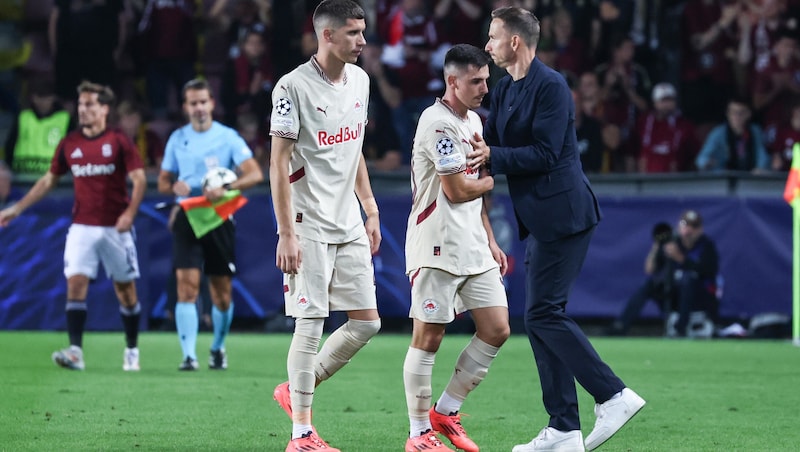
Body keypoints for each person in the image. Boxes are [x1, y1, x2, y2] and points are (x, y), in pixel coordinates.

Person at [470, 7, 645, 451]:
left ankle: (613, 395)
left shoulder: (551, 86)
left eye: (492, 38)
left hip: (565, 215)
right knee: (540, 316)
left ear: (514, 41)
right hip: (541, 219)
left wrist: (492, 156)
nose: (487, 46)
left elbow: (546, 154)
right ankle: (564, 427)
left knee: (544, 314)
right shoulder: (507, 88)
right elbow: (495, 143)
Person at [268, 1, 382, 451]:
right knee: (310, 324)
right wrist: (286, 233)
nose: (362, 41)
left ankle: (297, 388)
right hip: (307, 222)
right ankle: (301, 434)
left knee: (368, 322)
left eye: (363, 31)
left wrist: (370, 207)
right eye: (353, 33)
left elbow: (354, 148)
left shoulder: (361, 81)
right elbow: (278, 164)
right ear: (327, 35)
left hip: (348, 220)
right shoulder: (291, 87)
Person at [402, 44, 510, 452]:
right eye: (476, 81)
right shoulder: (438, 124)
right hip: (437, 245)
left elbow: (475, 198)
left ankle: (445, 411)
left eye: (486, 79)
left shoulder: (475, 122)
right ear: (453, 82)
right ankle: (418, 435)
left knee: (497, 328)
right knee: (429, 336)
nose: (485, 87)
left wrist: (490, 237)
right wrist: (492, 179)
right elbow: (459, 187)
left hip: (472, 245)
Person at [0, 81, 146, 372]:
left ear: (104, 108)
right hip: (82, 226)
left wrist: (129, 213)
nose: (83, 110)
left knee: (126, 291)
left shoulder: (118, 140)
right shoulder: (70, 143)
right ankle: (76, 351)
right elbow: (47, 181)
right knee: (75, 283)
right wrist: (16, 208)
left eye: (90, 104)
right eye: (81, 105)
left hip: (115, 228)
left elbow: (140, 179)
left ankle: (131, 349)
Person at [157, 78, 264, 371]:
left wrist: (228, 188)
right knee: (186, 287)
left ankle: (217, 347)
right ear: (185, 107)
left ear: (212, 104)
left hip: (218, 217)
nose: (199, 108)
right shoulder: (178, 138)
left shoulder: (228, 137)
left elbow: (254, 174)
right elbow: (163, 181)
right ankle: (189, 355)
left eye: (203, 101)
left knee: (221, 293)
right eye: (193, 103)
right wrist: (173, 186)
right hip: (188, 216)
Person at [609, 211, 720, 337]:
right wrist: (657, 246)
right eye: (685, 225)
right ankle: (621, 326)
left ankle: (680, 329)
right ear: (679, 226)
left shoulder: (706, 245)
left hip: (697, 296)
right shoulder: (672, 243)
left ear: (700, 229)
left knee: (688, 280)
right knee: (650, 284)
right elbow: (649, 270)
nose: (689, 230)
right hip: (673, 294)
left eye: (694, 226)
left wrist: (680, 258)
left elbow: (708, 271)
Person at [695, 96, 770, 172]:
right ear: (727, 114)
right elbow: (701, 159)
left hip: (749, 178)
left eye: (741, 113)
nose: (737, 117)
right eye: (733, 112)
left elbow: (762, 155)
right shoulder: (718, 133)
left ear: (749, 114)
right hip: (724, 178)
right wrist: (707, 163)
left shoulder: (755, 131)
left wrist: (760, 168)